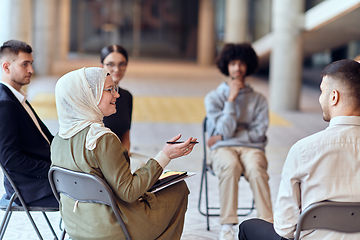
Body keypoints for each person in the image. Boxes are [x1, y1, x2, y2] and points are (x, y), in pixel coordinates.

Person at [51, 67, 197, 240]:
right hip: (112, 226)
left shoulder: (58, 140)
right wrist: (165, 155)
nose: (117, 95)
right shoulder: (102, 139)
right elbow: (129, 192)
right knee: (177, 188)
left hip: (75, 225)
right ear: (88, 95)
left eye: (116, 89)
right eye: (109, 90)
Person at [238, 59, 360, 240]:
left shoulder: (303, 150)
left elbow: (285, 228)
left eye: (322, 91)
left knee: (247, 227)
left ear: (334, 97)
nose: (320, 98)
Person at [204, 43, 273, 240]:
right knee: (229, 165)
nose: (237, 68)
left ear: (248, 66)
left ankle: (268, 223)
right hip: (223, 150)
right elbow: (226, 128)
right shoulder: (214, 98)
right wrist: (231, 100)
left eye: (241, 63)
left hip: (251, 148)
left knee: (255, 167)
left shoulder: (259, 99)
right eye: (233, 63)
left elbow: (259, 134)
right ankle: (227, 225)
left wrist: (223, 137)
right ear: (226, 65)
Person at [0, 40, 57, 207]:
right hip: (29, 187)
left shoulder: (17, 98)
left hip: (41, 178)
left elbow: (45, 140)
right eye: (25, 64)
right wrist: (52, 170)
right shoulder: (5, 104)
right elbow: (10, 159)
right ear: (6, 67)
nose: (31, 70)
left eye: (31, 64)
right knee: (91, 192)